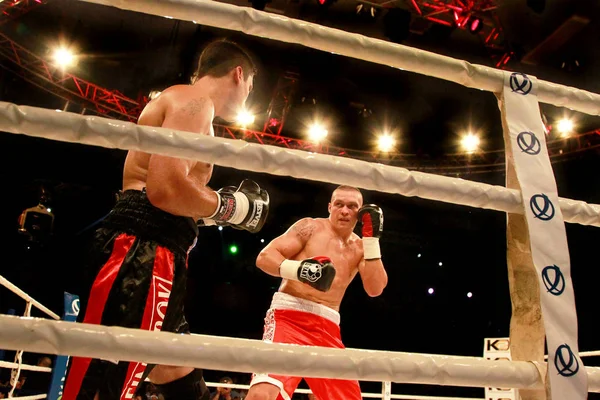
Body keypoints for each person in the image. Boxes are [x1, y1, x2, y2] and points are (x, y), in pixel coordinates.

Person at [62, 38, 269, 400]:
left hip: (159, 247)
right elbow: (163, 190)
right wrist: (230, 207)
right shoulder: (194, 102)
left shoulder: (192, 110)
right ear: (239, 74)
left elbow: (172, 193)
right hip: (141, 248)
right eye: (251, 85)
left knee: (177, 370)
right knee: (107, 379)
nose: (250, 92)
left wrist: (212, 208)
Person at [245, 185, 387, 400]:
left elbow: (375, 289)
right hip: (289, 318)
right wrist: (299, 270)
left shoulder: (361, 247)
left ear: (360, 213)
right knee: (263, 394)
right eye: (339, 204)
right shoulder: (310, 227)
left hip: (328, 327)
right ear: (329, 206)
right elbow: (264, 257)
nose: (345, 211)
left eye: (352, 206)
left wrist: (372, 241)